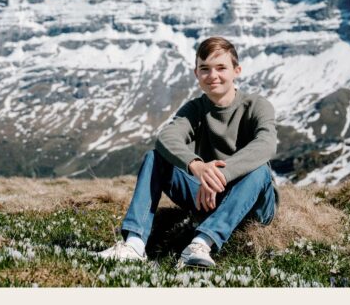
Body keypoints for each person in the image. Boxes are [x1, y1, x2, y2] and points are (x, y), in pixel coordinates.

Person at [98, 36, 279, 268]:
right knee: (155, 158)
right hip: (208, 197)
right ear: (196, 74)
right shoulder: (195, 109)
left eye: (221, 68)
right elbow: (166, 137)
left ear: (237, 71)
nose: (212, 75)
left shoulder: (257, 105)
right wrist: (197, 166)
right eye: (205, 69)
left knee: (260, 170)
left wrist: (220, 177)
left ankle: (202, 243)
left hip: (253, 204)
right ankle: (134, 244)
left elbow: (266, 144)